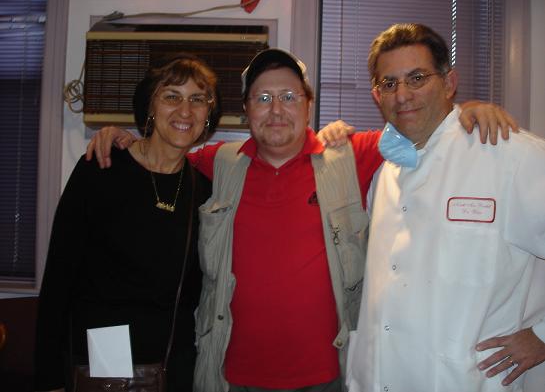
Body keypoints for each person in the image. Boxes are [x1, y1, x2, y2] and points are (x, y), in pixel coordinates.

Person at [85, 48, 518, 392]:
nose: (277, 110)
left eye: (290, 97)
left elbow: (417, 128)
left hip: (328, 376)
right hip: (234, 376)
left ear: (309, 105)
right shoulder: (221, 163)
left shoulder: (351, 155)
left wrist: (465, 110)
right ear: (247, 110)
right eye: (264, 98)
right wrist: (124, 139)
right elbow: (161, 157)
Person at [321, 23, 545, 392]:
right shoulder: (384, 172)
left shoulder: (510, 155)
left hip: (465, 380)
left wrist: (540, 337)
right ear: (377, 96)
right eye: (389, 84)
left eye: (417, 77)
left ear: (449, 82)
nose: (403, 95)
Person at [34, 53, 221, 392]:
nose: (185, 111)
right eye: (171, 97)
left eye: (197, 100)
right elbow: (59, 277)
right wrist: (47, 377)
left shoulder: (205, 192)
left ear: (208, 115)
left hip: (172, 369)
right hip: (100, 366)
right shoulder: (101, 168)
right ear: (150, 107)